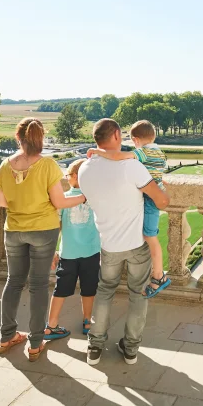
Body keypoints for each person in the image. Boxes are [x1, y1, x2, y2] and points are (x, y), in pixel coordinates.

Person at [79, 118, 170, 366]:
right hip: (136, 244)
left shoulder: (84, 168)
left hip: (108, 244)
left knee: (104, 293)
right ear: (117, 136)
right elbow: (161, 202)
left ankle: (94, 347)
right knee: (138, 295)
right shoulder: (131, 166)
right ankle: (130, 350)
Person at [0, 118, 86, 361]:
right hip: (43, 231)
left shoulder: (5, 166)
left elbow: (2, 202)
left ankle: (6, 337)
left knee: (13, 282)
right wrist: (84, 198)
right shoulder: (47, 165)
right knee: (37, 286)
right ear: (41, 138)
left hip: (14, 230)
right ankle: (35, 343)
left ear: (18, 138)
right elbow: (60, 202)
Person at [87, 119, 170, 297]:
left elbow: (118, 157)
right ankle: (158, 275)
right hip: (153, 194)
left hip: (149, 199)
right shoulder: (159, 152)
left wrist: (97, 152)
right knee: (149, 236)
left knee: (150, 236)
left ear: (136, 139)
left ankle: (158, 276)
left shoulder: (143, 152)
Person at [44, 158, 101, 341]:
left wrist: (52, 250)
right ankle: (86, 321)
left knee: (60, 290)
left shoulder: (63, 199)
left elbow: (55, 226)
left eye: (68, 175)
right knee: (89, 288)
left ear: (75, 176)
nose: (66, 178)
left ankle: (51, 324)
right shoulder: (95, 197)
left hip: (68, 253)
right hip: (92, 251)